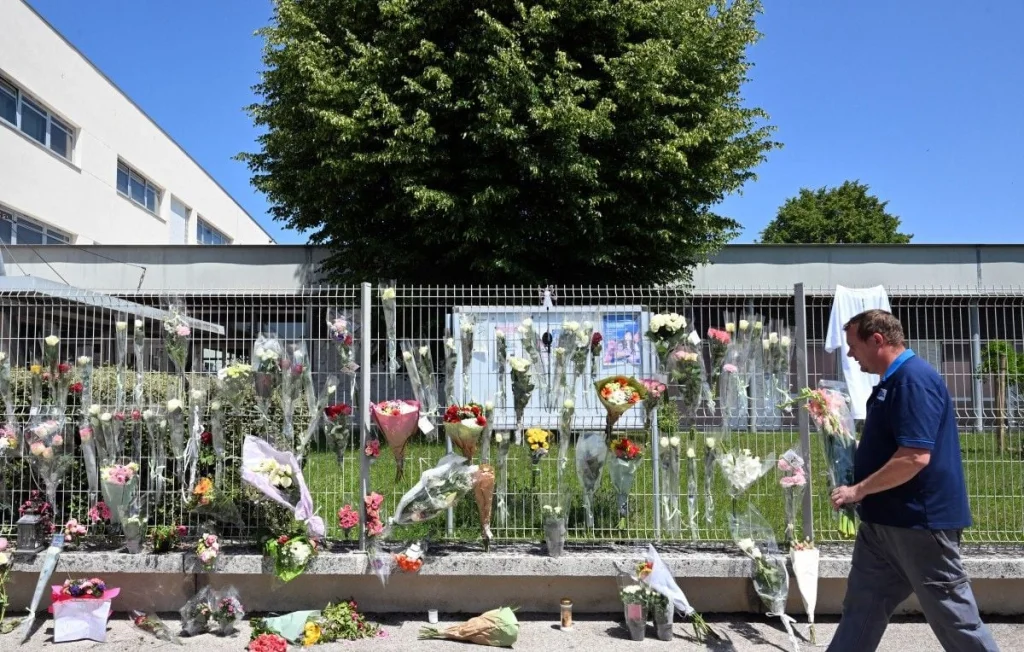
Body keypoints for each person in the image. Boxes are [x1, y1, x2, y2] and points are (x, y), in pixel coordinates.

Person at [827, 309, 999, 652]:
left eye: (853, 345)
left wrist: (857, 490)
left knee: (954, 618)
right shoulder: (893, 381)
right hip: (883, 524)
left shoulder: (912, 380)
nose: (849, 354)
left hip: (918, 524)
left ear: (877, 340)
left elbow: (914, 457)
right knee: (861, 609)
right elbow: (896, 445)